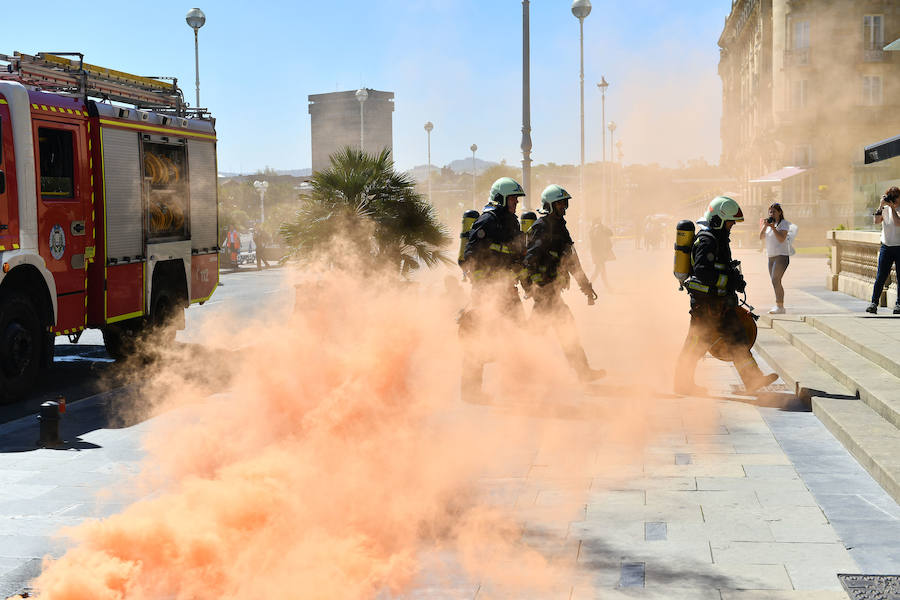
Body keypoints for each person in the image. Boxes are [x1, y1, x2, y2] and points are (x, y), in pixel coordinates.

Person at [674, 196, 778, 396]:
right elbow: (703, 272)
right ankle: (681, 384)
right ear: (718, 220)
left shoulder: (717, 239)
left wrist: (734, 277)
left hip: (721, 303)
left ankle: (752, 380)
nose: (732, 226)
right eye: (730, 222)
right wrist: (728, 280)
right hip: (706, 306)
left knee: (738, 339)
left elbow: (719, 267)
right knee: (695, 345)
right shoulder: (706, 240)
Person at [524, 184, 605, 382]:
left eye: (564, 203)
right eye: (559, 203)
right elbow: (529, 260)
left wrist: (585, 286)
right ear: (549, 205)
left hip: (552, 293)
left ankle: (521, 372)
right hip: (545, 293)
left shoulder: (560, 227)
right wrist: (535, 287)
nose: (564, 207)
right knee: (555, 332)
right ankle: (520, 373)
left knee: (546, 333)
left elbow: (571, 260)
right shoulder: (541, 227)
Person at [458, 177, 528, 403]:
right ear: (500, 199)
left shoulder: (512, 222)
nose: (516, 203)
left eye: (517, 199)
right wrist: (485, 287)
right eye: (513, 199)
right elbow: (470, 256)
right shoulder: (487, 220)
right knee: (478, 341)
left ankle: (515, 387)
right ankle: (470, 392)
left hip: (507, 289)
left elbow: (515, 252)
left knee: (517, 333)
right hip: (487, 291)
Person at [866, 186, 900, 314]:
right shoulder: (884, 209)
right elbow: (876, 221)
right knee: (880, 276)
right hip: (886, 247)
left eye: (895, 196)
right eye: (891, 196)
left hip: (899, 247)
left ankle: (899, 304)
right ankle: (874, 303)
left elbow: (897, 223)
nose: (894, 199)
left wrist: (892, 208)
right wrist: (881, 206)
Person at [758, 202, 792, 314]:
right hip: (771, 257)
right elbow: (761, 237)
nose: (771, 213)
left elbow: (781, 238)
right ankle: (779, 306)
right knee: (775, 282)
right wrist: (765, 226)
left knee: (775, 279)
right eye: (770, 212)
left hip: (781, 256)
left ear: (780, 213)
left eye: (774, 212)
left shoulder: (784, 224)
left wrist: (773, 228)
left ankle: (780, 307)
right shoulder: (768, 225)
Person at [589, 218, 615, 290]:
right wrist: (600, 228)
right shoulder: (593, 230)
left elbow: (610, 233)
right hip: (597, 254)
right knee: (601, 271)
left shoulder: (600, 229)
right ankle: (607, 287)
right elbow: (595, 240)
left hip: (599, 254)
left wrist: (603, 227)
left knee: (598, 271)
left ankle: (589, 285)